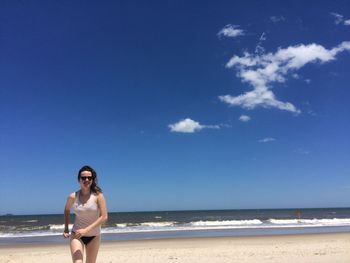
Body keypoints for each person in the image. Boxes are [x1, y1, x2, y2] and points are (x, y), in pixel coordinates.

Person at [63, 165, 108, 263]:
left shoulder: (98, 195)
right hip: (77, 235)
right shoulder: (72, 196)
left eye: (89, 177)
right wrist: (66, 228)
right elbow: (66, 210)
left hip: (94, 236)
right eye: (83, 178)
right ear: (79, 179)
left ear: (92, 179)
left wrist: (86, 230)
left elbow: (104, 217)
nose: (86, 180)